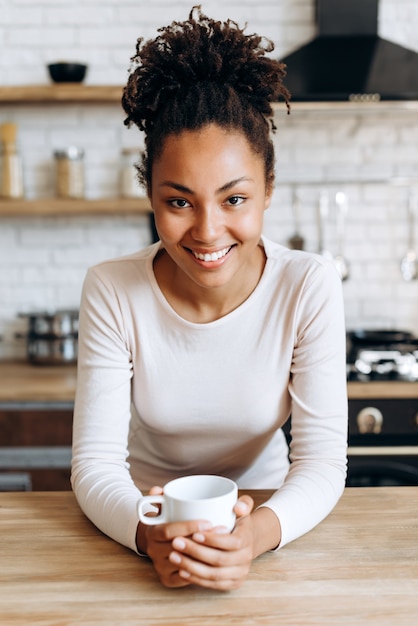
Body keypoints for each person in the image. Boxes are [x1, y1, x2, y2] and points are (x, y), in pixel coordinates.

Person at [71, 6, 348, 591]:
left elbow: (322, 464)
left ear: (268, 190)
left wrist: (256, 533)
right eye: (178, 202)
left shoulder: (308, 285)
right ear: (149, 195)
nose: (206, 231)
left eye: (234, 199)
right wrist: (150, 534)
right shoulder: (112, 288)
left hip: (272, 515)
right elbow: (95, 466)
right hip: (142, 520)